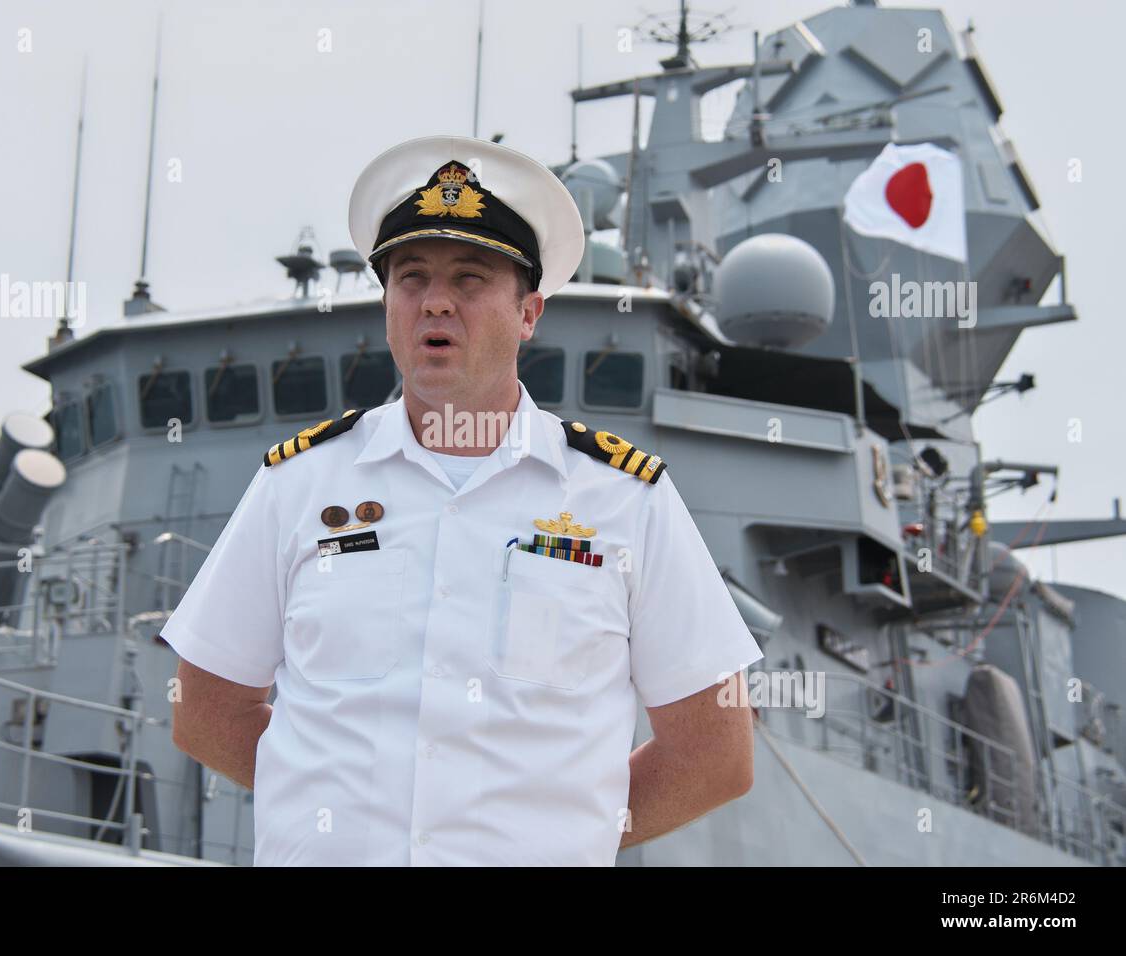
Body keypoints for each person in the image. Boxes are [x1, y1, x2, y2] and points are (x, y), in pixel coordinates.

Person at [161, 134, 764, 866]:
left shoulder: (626, 501)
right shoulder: (299, 486)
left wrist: (562, 834)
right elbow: (204, 712)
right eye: (410, 277)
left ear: (530, 312)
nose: (435, 301)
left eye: (471, 279)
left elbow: (713, 755)